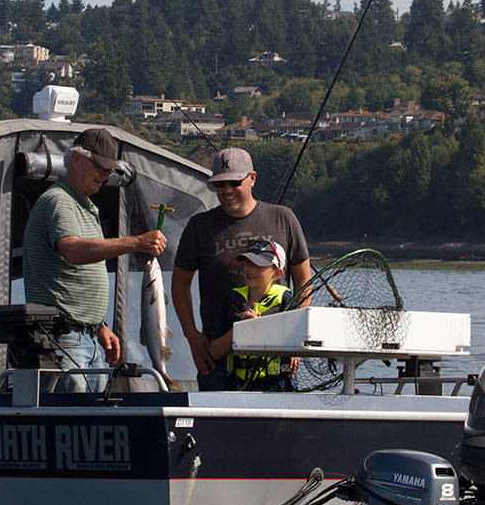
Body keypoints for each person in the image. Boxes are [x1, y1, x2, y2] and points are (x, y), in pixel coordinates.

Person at [22, 127, 166, 391]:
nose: (106, 175)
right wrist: (136, 242)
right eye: (100, 166)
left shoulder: (85, 206)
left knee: (89, 417)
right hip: (62, 340)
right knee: (75, 417)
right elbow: (73, 251)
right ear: (76, 160)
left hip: (83, 339)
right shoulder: (59, 202)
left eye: (109, 169)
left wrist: (99, 327)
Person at [172, 147, 311, 384]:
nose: (226, 191)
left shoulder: (283, 217)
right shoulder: (199, 226)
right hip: (217, 357)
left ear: (252, 179)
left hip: (276, 356)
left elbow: (304, 282)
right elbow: (180, 284)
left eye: (234, 183)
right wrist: (192, 337)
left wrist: (296, 339)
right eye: (219, 184)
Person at [202, 239, 293, 391]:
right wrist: (240, 329)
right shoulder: (232, 300)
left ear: (277, 273)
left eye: (258, 265)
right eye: (248, 262)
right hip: (237, 386)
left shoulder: (285, 300)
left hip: (276, 387)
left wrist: (261, 327)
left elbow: (294, 345)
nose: (250, 269)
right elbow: (216, 351)